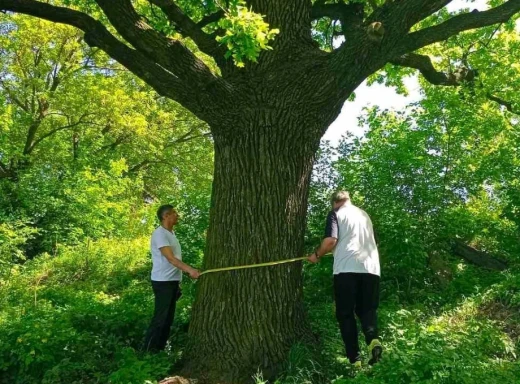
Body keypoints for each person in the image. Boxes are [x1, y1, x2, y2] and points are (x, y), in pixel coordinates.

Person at [308, 191, 382, 367]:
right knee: (367, 310)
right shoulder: (364, 215)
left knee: (345, 313)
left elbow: (330, 241)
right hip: (371, 269)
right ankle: (374, 341)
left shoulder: (336, 213)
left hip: (346, 270)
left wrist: (316, 255)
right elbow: (373, 241)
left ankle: (355, 359)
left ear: (334, 202)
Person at [144, 204, 201, 352]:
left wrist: (178, 280)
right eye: (174, 213)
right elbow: (171, 259)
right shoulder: (160, 234)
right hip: (162, 282)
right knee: (160, 319)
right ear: (165, 216)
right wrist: (190, 270)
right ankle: (147, 351)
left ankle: (159, 351)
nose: (177, 215)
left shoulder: (171, 234)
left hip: (171, 282)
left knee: (167, 320)